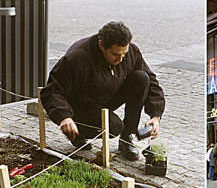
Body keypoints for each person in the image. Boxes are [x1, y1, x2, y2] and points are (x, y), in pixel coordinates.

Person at [40, 21, 165, 161]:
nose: (120, 59)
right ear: (101, 45)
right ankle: (77, 132)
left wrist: (155, 115)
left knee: (142, 78)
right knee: (115, 127)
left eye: (124, 54)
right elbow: (51, 91)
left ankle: (126, 139)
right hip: (82, 105)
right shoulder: (77, 57)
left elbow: (152, 81)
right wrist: (64, 116)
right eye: (115, 54)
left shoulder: (130, 52)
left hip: (107, 95)